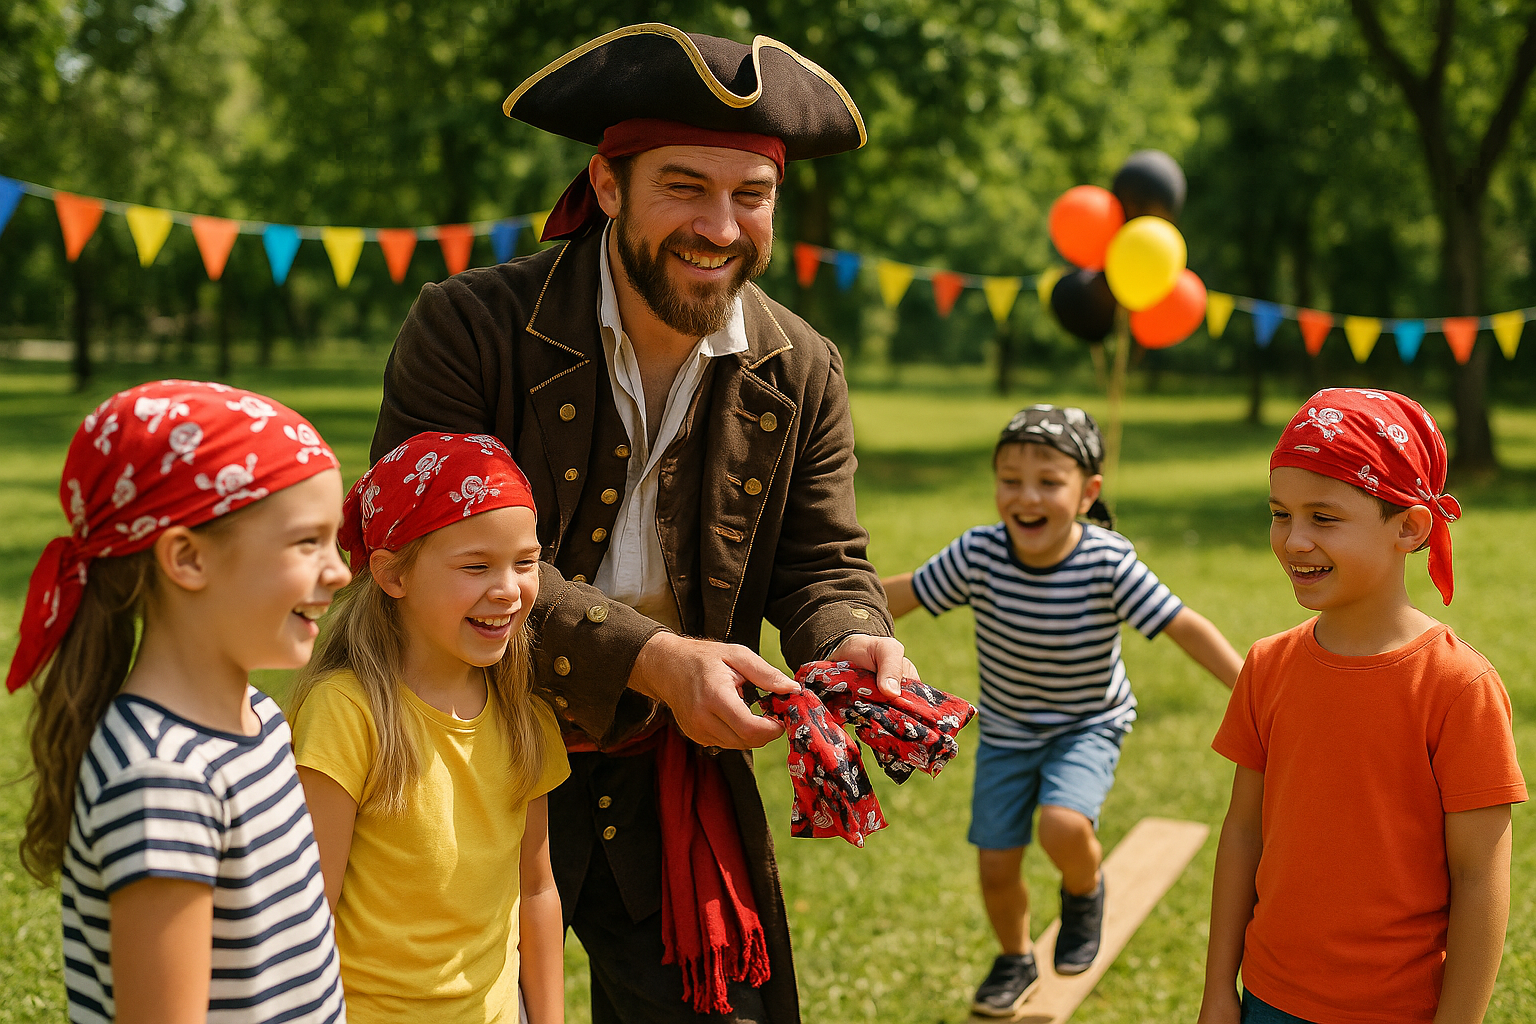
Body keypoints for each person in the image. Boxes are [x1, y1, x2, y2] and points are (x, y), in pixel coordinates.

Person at [369, 24, 912, 1024]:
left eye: (752, 195)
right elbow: (425, 559)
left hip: (665, 765)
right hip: (459, 745)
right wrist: (655, 659)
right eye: (684, 186)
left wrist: (852, 639)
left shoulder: (803, 365)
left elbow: (822, 561)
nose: (720, 225)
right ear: (607, 185)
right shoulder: (468, 328)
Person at [881, 404, 1244, 1017]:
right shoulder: (979, 554)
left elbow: (1183, 625)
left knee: (1062, 826)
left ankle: (1085, 891)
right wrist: (829, 613)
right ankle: (1015, 957)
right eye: (1010, 480)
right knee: (996, 864)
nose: (1027, 497)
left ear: (1087, 493)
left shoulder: (1106, 562)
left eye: (1049, 482)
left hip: (1087, 726)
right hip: (1006, 734)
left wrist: (1248, 687)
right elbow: (908, 593)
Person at [9, 381, 350, 1024]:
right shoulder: (162, 778)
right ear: (187, 558)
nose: (339, 571)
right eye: (308, 542)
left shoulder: (261, 721)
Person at [1198, 389, 1526, 1024]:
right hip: (1268, 996)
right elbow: (1243, 834)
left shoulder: (1459, 686)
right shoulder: (1267, 665)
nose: (1293, 540)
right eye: (1280, 514)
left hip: (1398, 1009)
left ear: (1409, 527)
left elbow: (1480, 878)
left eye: (1323, 517)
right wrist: (1218, 989)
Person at [287, 432, 568, 1023]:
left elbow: (537, 890)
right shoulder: (347, 713)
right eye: (476, 566)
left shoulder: (524, 716)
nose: (508, 589)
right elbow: (307, 915)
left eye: (525, 563)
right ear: (393, 574)